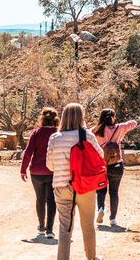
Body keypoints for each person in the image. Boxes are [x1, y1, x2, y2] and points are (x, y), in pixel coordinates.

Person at [46, 103, 104, 260]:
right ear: (81, 118)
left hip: (62, 187)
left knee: (65, 228)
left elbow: (50, 166)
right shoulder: (88, 136)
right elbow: (101, 157)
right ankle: (91, 257)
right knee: (87, 226)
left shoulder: (54, 138)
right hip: (85, 186)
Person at [91, 109, 137, 226]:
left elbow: (85, 134)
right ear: (113, 117)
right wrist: (121, 129)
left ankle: (100, 209)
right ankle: (113, 219)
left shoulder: (95, 131)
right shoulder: (119, 128)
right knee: (114, 192)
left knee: (101, 190)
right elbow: (134, 123)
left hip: (101, 165)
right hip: (116, 164)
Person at [20, 107, 60, 239]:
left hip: (36, 171)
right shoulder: (58, 133)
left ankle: (41, 227)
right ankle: (49, 229)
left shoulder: (36, 133)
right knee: (51, 200)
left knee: (40, 199)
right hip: (52, 171)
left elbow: (28, 152)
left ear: (41, 119)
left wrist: (23, 169)